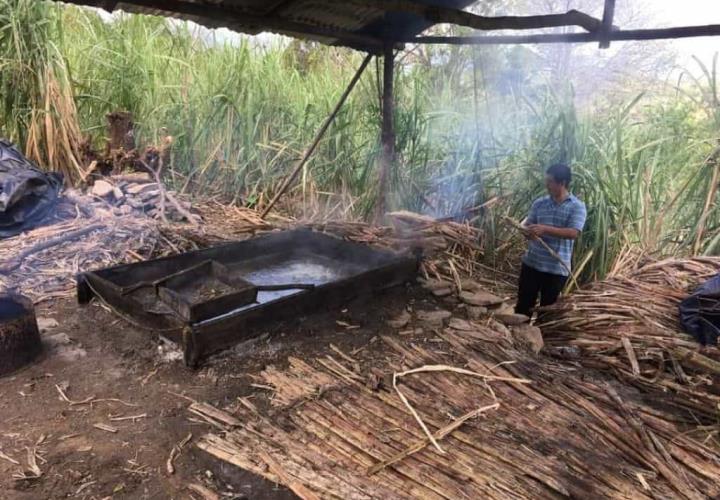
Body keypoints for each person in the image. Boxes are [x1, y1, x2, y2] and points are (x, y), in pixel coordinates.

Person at [515, 163, 587, 317]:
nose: (546, 185)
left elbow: (573, 233)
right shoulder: (540, 203)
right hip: (531, 264)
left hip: (556, 269)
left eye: (550, 182)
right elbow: (527, 226)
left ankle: (542, 339)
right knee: (523, 306)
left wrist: (544, 229)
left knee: (547, 312)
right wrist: (527, 232)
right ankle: (518, 339)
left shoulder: (577, 207)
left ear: (562, 183)